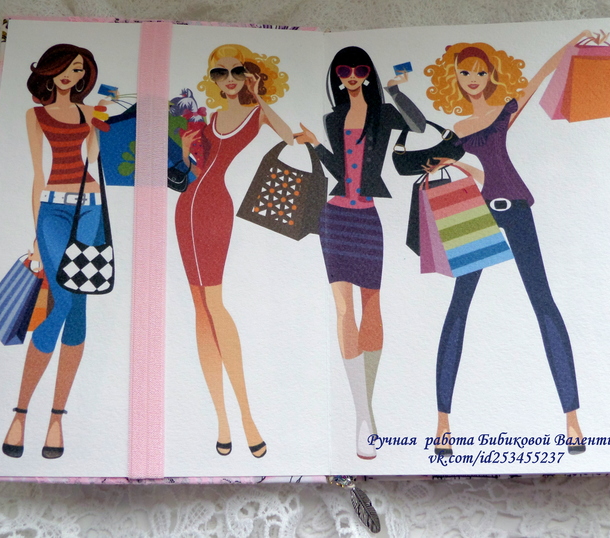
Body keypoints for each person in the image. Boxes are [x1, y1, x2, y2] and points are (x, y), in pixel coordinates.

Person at [424, 33, 594, 455]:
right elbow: (469, 172)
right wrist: (453, 165)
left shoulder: (503, 111)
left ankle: (573, 420)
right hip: (474, 211)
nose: (473, 78)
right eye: (465, 72)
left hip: (516, 207)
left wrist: (574, 42)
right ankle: (442, 423)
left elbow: (540, 75)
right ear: (455, 79)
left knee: (543, 301)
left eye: (479, 71)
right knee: (459, 306)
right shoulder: (458, 130)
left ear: (490, 75)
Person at [295, 46, 425, 459]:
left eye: (359, 69)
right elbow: (339, 171)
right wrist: (316, 145)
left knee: (372, 305)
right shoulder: (333, 119)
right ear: (336, 76)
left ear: (368, 73)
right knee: (344, 310)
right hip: (334, 217)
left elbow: (419, 125)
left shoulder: (382, 114)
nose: (351, 75)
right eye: (343, 70)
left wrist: (395, 91)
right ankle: (362, 415)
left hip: (367, 217)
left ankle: (367, 407)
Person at [175, 44, 293, 458]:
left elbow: (289, 137)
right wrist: (187, 151)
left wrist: (259, 97)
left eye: (237, 71)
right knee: (199, 307)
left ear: (250, 74)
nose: (228, 79)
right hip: (186, 206)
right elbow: (195, 171)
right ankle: (222, 420)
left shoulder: (256, 113)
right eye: (219, 73)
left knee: (215, 303)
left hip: (215, 209)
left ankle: (247, 417)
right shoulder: (208, 119)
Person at [2, 44, 104, 459]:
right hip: (52, 211)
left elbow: (93, 159)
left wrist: (98, 129)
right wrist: (35, 235)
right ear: (49, 70)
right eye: (64, 67)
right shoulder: (36, 115)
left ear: (83, 76)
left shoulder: (88, 112)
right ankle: (20, 413)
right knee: (60, 302)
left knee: (78, 308)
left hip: (90, 208)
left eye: (78, 70)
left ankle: (56, 419)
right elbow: (37, 173)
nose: (70, 75)